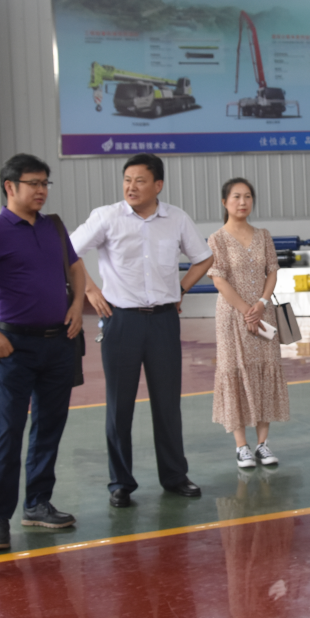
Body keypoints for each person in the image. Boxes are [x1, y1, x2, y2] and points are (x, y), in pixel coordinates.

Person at [71, 153, 214, 504]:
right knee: (119, 405)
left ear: (158, 185)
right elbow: (68, 252)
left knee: (167, 403)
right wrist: (90, 290)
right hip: (121, 320)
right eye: (127, 180)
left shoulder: (176, 218)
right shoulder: (107, 217)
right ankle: (120, 483)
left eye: (140, 180)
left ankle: (175, 476)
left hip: (164, 320)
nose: (131, 187)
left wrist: (181, 289)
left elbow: (204, 257)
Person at [0, 154, 86, 552]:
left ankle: (37, 504)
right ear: (10, 186)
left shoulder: (53, 226)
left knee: (49, 426)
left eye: (45, 183)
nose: (41, 190)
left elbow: (75, 267)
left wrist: (77, 305)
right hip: (14, 346)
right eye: (33, 183)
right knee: (9, 431)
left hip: (59, 342)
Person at [207, 178, 290, 468]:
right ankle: (241, 446)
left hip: (262, 313)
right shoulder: (217, 239)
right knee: (235, 371)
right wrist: (246, 311)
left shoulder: (264, 235)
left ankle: (263, 444)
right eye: (236, 197)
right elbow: (218, 279)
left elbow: (272, 271)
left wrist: (261, 304)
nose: (242, 202)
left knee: (265, 370)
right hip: (232, 317)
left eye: (247, 197)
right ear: (224, 202)